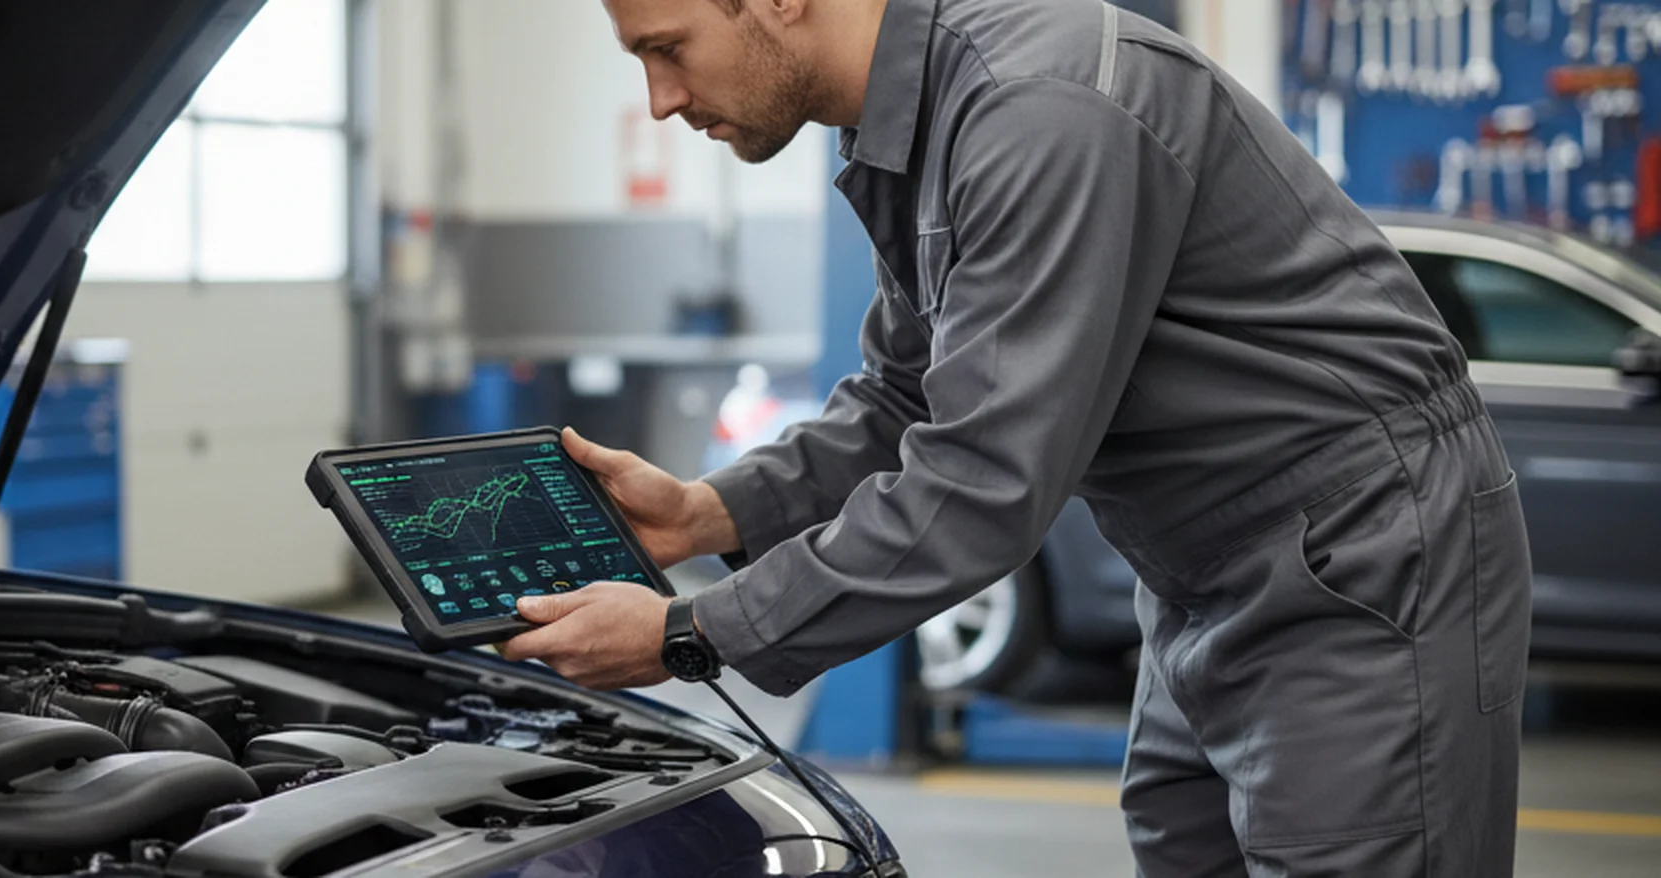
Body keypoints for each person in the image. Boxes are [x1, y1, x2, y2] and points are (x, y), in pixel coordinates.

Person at [496, 0, 1532, 875]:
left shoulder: (1036, 109)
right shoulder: (913, 130)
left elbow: (980, 480)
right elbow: (905, 397)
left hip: (1356, 547)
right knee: (1185, 843)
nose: (660, 100)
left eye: (662, 47)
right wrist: (704, 511)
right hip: (1198, 566)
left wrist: (690, 633)